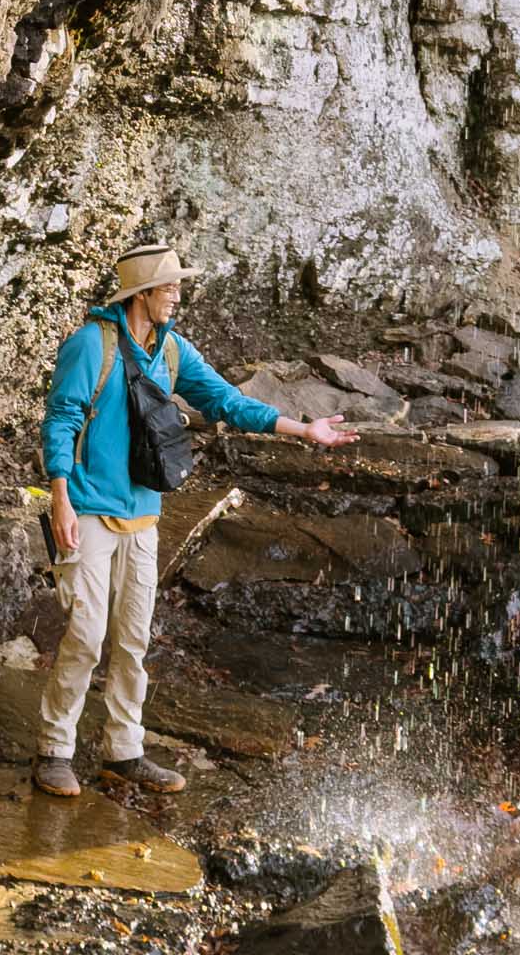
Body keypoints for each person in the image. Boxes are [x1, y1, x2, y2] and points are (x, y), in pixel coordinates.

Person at [34, 236, 356, 798]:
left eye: (178, 285)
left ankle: (124, 751)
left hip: (144, 514)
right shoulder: (92, 345)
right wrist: (59, 497)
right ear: (142, 293)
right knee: (86, 636)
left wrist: (303, 429)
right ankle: (55, 750)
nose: (177, 295)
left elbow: (226, 402)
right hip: (86, 508)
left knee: (133, 640)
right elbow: (60, 421)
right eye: (170, 286)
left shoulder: (173, 350)